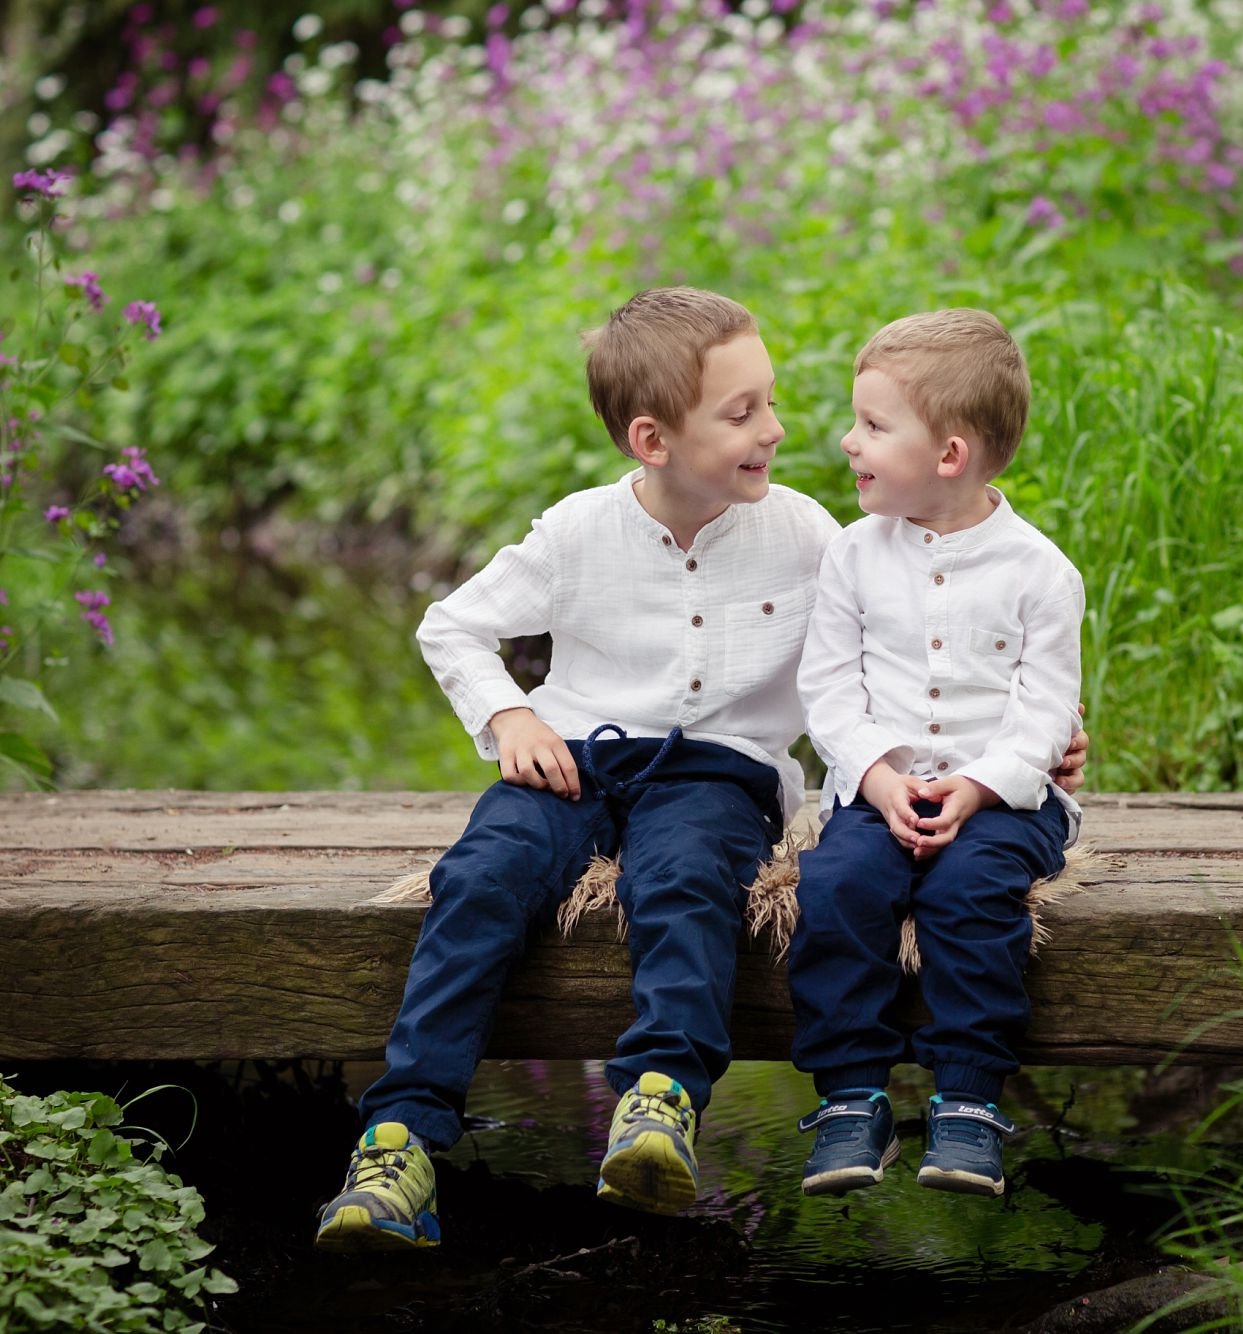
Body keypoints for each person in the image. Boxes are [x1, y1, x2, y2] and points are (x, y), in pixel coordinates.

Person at [314, 287, 1089, 1247]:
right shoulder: (576, 533)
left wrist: (1025, 736)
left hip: (717, 775)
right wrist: (509, 713)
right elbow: (454, 627)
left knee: (681, 876)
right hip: (574, 759)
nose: (777, 426)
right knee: (477, 878)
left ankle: (660, 1099)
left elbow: (910, 630)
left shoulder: (813, 537)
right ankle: (400, 1140)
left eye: (767, 400)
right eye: (744, 411)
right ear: (653, 440)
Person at [788, 309, 1083, 1201]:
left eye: (874, 426)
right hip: (875, 788)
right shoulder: (852, 555)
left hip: (1006, 804)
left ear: (948, 456)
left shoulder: (1040, 572)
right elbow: (829, 686)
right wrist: (877, 779)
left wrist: (980, 787)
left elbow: (1045, 709)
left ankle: (967, 1101)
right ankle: (850, 1098)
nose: (849, 441)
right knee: (840, 887)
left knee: (970, 895)